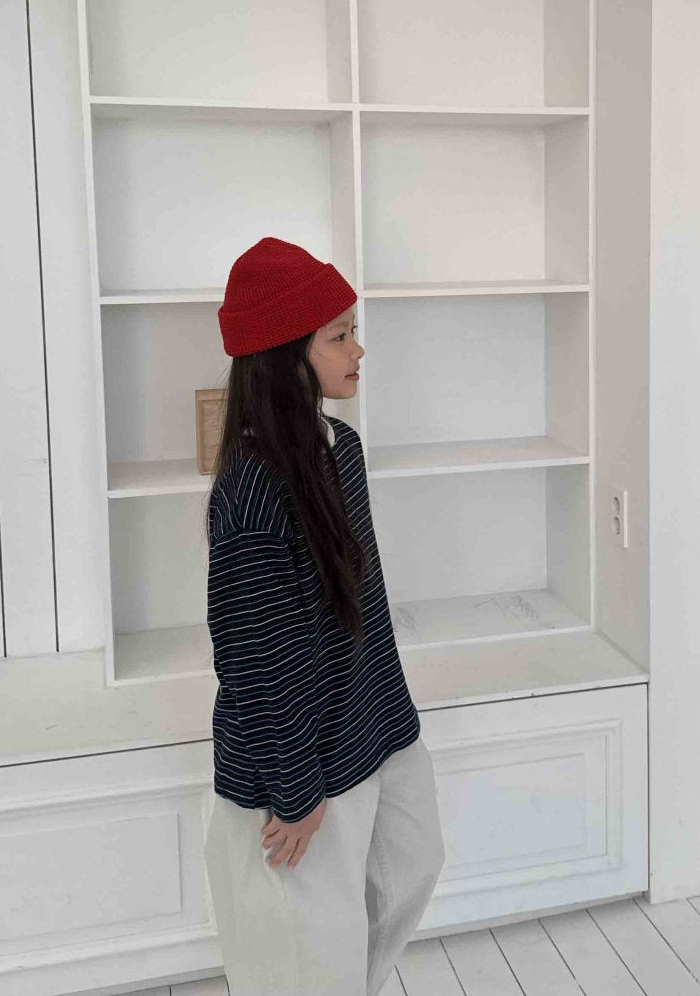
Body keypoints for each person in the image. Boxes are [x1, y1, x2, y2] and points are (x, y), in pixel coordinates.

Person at [201, 236, 446, 996]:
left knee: (412, 867)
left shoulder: (341, 447)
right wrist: (296, 789)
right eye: (339, 336)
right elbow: (256, 661)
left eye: (353, 330)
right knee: (304, 956)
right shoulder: (250, 491)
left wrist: (394, 715)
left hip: (370, 720)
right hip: (296, 760)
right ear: (285, 356)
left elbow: (361, 606)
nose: (358, 350)